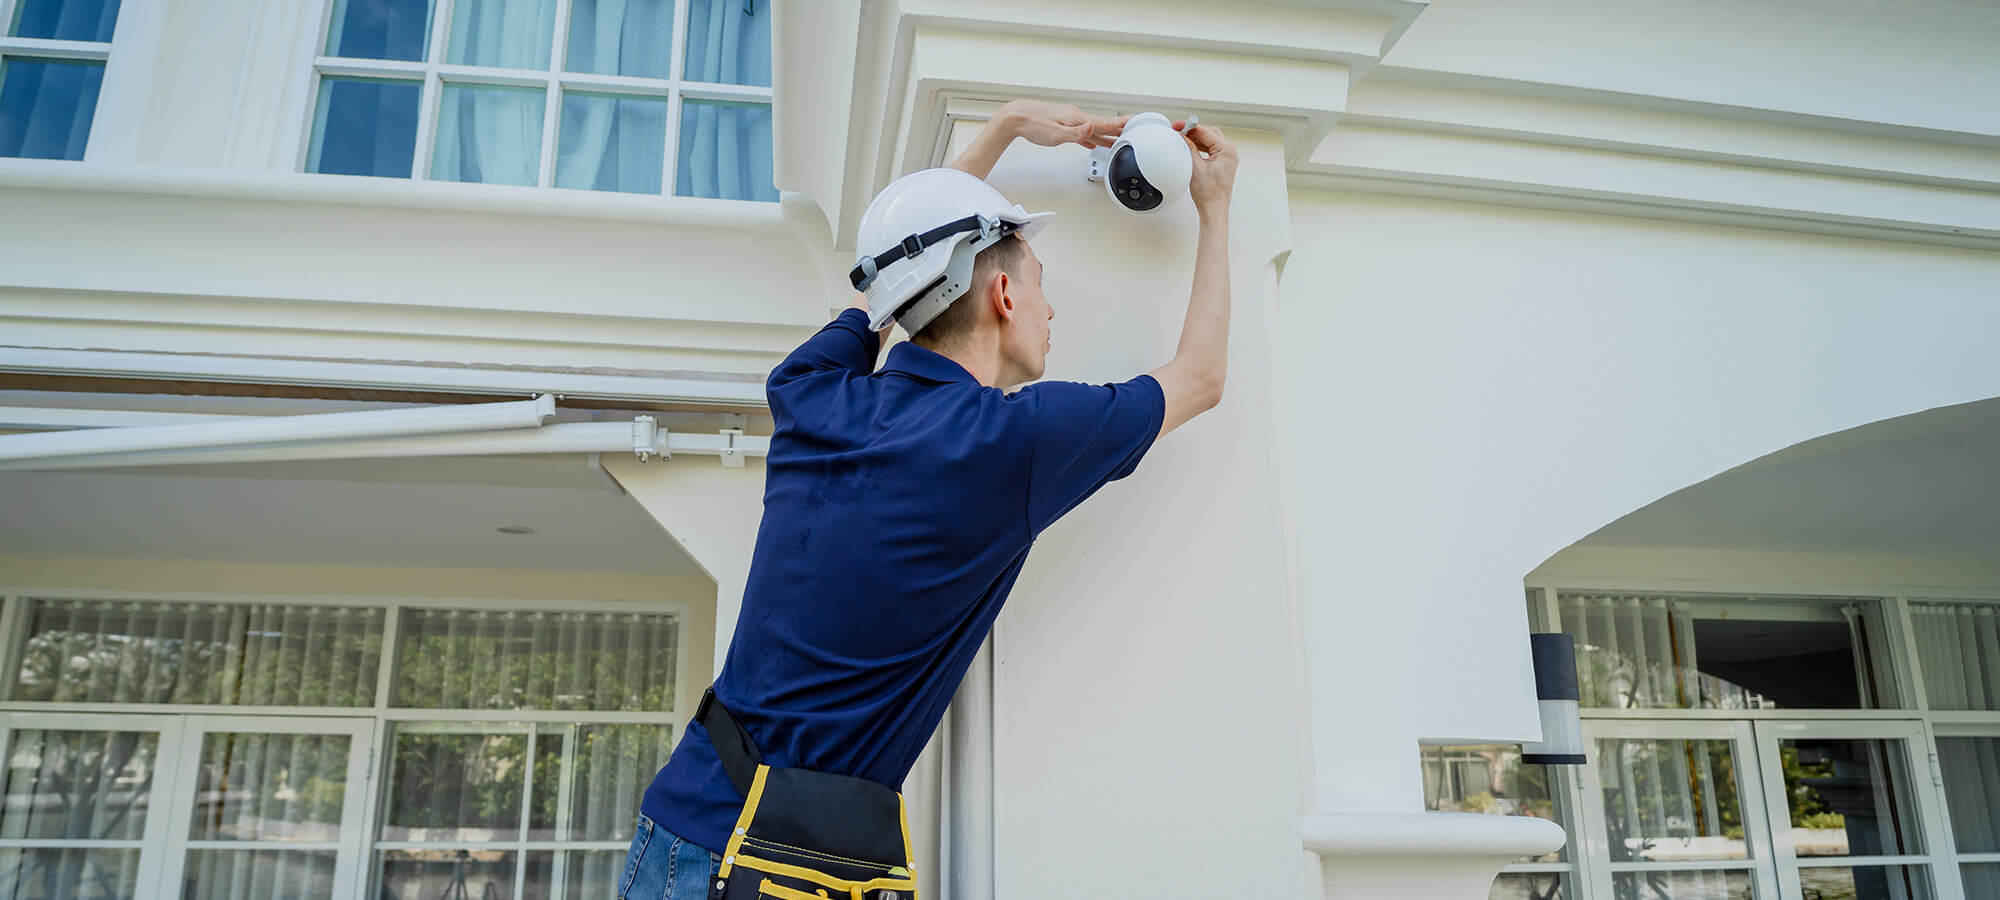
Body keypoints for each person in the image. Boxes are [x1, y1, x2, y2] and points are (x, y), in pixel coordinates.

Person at [618, 98, 1239, 900]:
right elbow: (1202, 378)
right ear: (1006, 299)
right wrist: (1216, 206)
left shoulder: (809, 392)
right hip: (772, 870)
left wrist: (1008, 126)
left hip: (678, 832)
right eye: (1042, 285)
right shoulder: (1012, 443)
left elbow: (891, 269)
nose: (1053, 310)